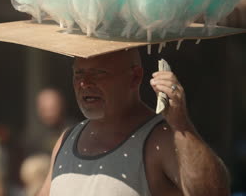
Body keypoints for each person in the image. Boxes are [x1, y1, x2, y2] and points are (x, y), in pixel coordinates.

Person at [37, 49, 230, 196]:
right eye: (78, 74)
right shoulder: (67, 139)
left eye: (98, 73)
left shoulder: (161, 138)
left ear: (135, 77)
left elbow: (213, 192)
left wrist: (181, 124)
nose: (84, 83)